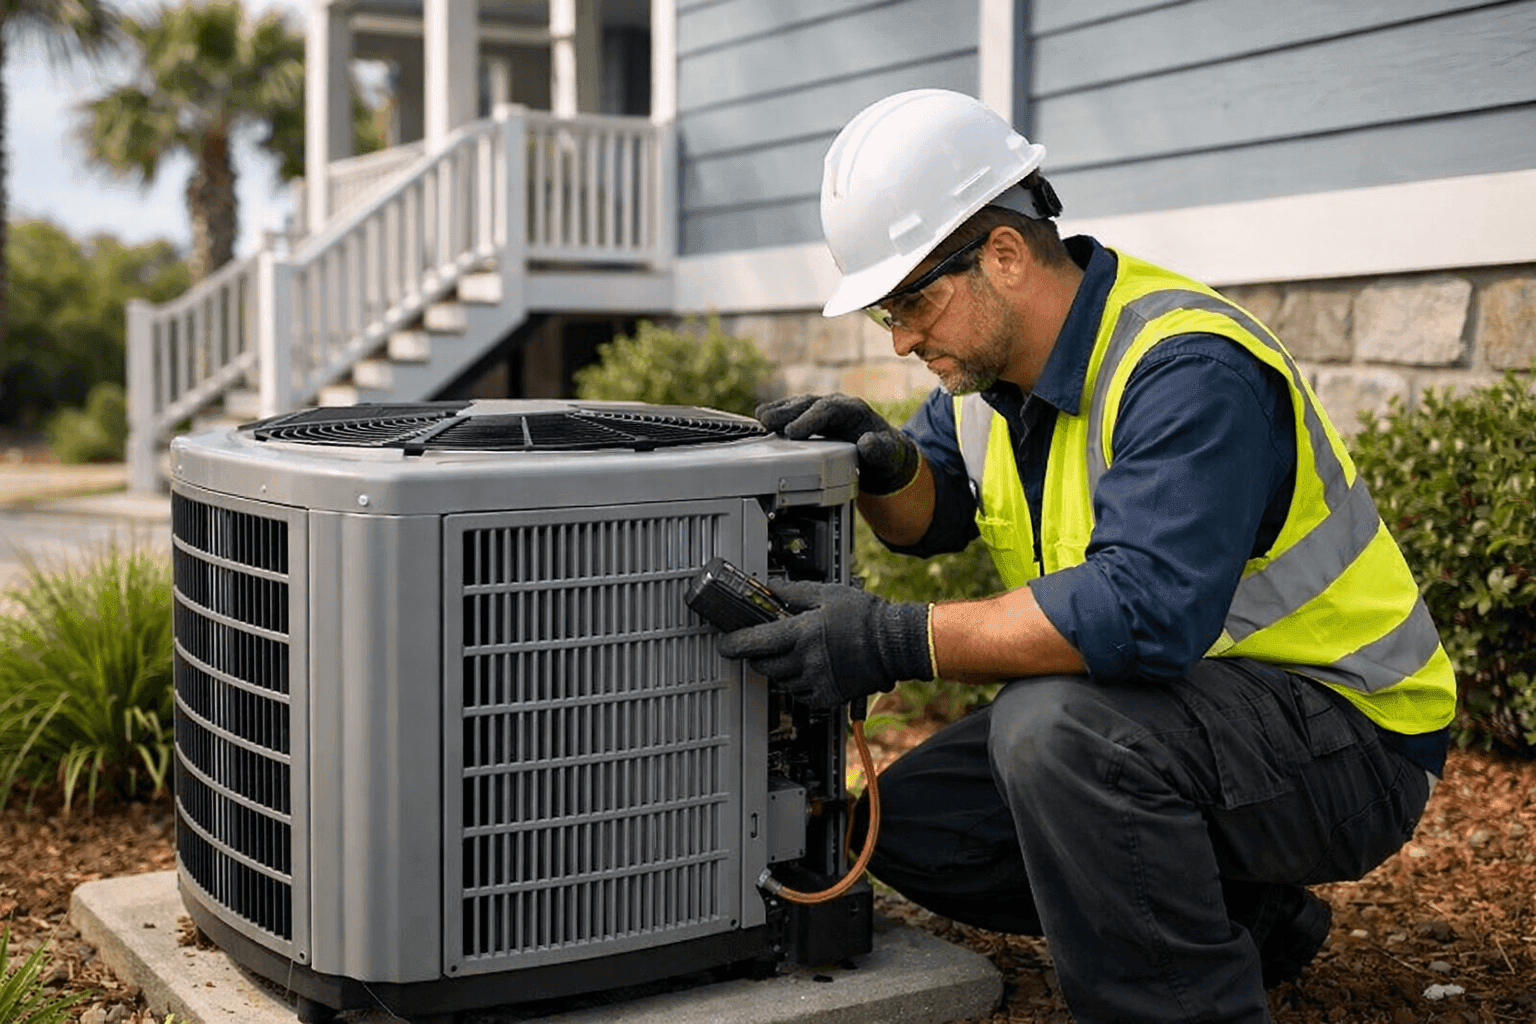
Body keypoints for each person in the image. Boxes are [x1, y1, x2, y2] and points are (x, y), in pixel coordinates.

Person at [716, 89, 1455, 1024]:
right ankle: (1250, 925)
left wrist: (890, 641)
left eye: (911, 301)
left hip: (1350, 737)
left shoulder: (1185, 368)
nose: (902, 340)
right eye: (884, 315)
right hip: (1196, 720)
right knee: (897, 831)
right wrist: (888, 462)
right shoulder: (990, 382)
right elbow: (933, 517)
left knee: (1058, 735)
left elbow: (1143, 613)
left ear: (1005, 254)